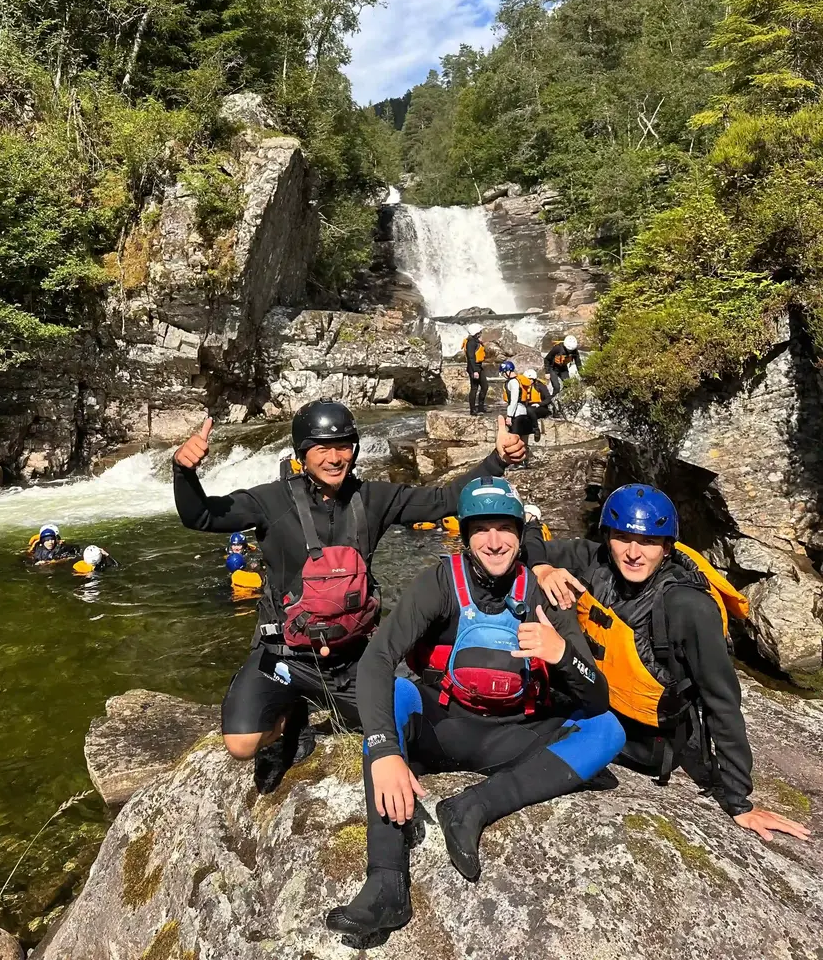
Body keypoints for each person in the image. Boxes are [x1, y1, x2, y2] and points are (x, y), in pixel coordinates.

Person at [173, 401, 527, 795]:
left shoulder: (374, 498)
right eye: (321, 447)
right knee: (241, 743)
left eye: (343, 445)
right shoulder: (270, 502)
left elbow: (444, 501)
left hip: (354, 656)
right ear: (301, 453)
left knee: (405, 727)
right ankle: (292, 719)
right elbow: (202, 516)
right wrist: (184, 472)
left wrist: (497, 460)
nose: (335, 457)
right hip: (285, 654)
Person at [325, 477, 624, 941]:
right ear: (464, 536)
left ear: (520, 533)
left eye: (504, 528)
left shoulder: (545, 596)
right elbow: (378, 658)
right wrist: (384, 750)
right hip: (444, 726)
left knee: (608, 731)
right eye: (480, 529)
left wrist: (561, 654)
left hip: (514, 735)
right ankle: (386, 883)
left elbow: (596, 697)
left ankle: (471, 808)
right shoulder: (439, 582)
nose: (493, 541)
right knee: (398, 695)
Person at [525, 484, 812, 844]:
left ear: (666, 547)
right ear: (608, 537)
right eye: (622, 538)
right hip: (599, 700)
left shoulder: (687, 607)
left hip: (647, 742)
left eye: (647, 542)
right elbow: (521, 552)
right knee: (531, 590)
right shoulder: (598, 560)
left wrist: (740, 802)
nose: (632, 553)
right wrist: (542, 567)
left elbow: (721, 701)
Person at [503, 368, 544, 465]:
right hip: (524, 411)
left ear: (507, 372)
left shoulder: (513, 382)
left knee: (515, 440)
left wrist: (509, 416)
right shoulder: (520, 380)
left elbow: (514, 400)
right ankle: (526, 461)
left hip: (516, 414)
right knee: (524, 440)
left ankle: (518, 463)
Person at [543, 334, 582, 408]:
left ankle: (562, 402)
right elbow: (547, 359)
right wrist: (547, 372)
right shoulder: (557, 348)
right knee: (557, 387)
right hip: (553, 368)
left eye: (571, 350)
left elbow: (578, 362)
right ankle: (552, 405)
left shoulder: (575, 351)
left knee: (568, 385)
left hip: (563, 369)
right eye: (569, 350)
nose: (570, 351)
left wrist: (582, 374)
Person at [463, 324, 488, 416]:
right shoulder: (471, 343)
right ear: (476, 332)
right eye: (480, 331)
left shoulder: (475, 341)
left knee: (485, 386)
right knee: (474, 388)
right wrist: (475, 371)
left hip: (478, 367)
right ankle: (472, 410)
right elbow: (471, 358)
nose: (481, 333)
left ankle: (481, 407)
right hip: (473, 368)